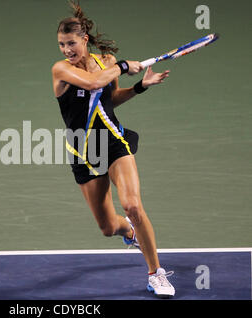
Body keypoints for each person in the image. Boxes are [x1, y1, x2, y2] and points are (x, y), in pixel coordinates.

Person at [51, 1, 175, 298]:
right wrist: (121, 66)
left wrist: (139, 87)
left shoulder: (106, 60)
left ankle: (155, 273)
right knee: (108, 227)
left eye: (71, 43)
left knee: (132, 204)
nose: (67, 50)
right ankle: (130, 233)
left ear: (84, 39)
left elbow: (110, 98)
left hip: (114, 142)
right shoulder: (60, 70)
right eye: (61, 44)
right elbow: (94, 82)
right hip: (84, 152)